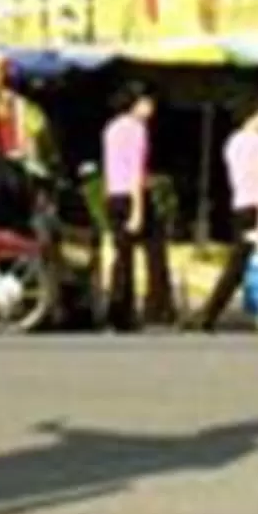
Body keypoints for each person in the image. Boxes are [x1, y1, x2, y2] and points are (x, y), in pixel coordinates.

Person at [190, 104, 258, 333]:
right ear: (254, 115)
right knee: (246, 264)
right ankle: (209, 314)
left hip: (239, 204)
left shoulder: (233, 142)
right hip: (256, 207)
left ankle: (210, 313)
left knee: (242, 263)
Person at [100, 85, 157, 332]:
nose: (151, 108)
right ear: (135, 103)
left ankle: (116, 310)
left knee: (120, 254)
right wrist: (138, 209)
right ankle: (126, 312)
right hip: (130, 196)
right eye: (147, 102)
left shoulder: (111, 128)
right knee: (133, 256)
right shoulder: (136, 130)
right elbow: (135, 171)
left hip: (113, 194)